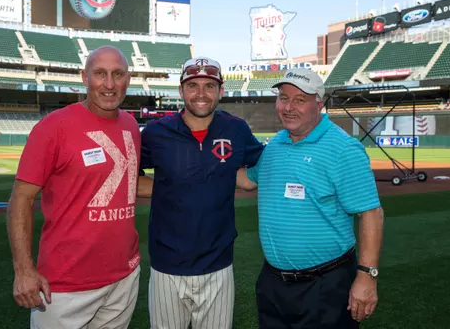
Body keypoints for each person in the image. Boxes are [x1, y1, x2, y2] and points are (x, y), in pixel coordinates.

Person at [7, 46, 143, 329]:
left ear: (128, 80)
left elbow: (129, 181)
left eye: (117, 74)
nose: (109, 84)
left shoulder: (130, 125)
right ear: (84, 77)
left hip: (124, 276)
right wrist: (23, 270)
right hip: (66, 284)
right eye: (100, 74)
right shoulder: (53, 127)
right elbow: (21, 198)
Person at [237, 68, 384, 329]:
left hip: (325, 285)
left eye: (300, 100)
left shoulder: (343, 148)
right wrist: (203, 163)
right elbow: (248, 180)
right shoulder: (276, 145)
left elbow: (371, 213)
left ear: (319, 104)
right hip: (273, 283)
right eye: (283, 97)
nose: (288, 107)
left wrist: (367, 276)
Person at [138, 56, 264, 329]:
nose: (201, 94)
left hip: (218, 263)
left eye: (209, 86)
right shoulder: (156, 132)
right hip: (166, 264)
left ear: (220, 91)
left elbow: (259, 169)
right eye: (193, 85)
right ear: (181, 91)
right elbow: (130, 176)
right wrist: (175, 187)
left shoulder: (236, 129)